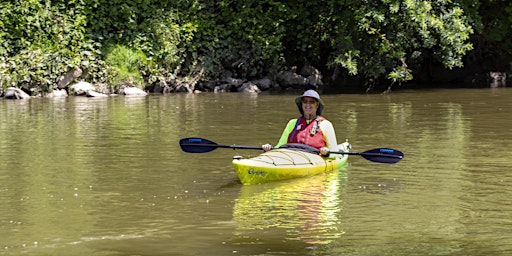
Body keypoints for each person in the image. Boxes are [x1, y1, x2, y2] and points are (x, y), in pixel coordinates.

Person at [262, 89, 339, 156]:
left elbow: (334, 153)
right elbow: (280, 146)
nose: (308, 104)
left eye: (311, 102)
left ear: (317, 105)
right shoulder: (292, 123)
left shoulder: (326, 125)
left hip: (315, 158)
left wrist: (327, 152)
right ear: (302, 104)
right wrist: (269, 148)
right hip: (291, 157)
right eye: (305, 102)